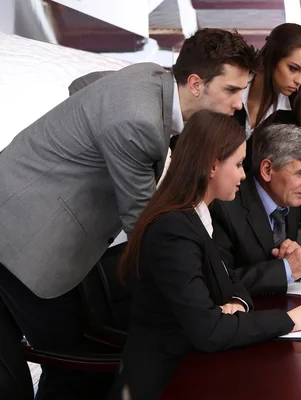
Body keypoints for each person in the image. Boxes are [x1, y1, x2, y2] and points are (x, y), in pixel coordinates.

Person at [0, 28, 257, 399]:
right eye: (232, 90)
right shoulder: (139, 123)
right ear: (197, 84)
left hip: (29, 219)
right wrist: (208, 305)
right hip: (23, 236)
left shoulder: (151, 78)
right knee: (68, 362)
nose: (238, 104)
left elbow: (83, 84)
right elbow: (145, 229)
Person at [112, 110, 301, 400]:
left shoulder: (197, 216)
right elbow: (209, 330)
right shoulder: (173, 229)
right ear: (213, 166)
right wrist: (289, 320)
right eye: (238, 164)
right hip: (165, 382)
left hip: (197, 366)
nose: (242, 174)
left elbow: (231, 282)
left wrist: (236, 302)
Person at [210, 123, 301, 296]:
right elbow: (219, 282)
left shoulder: (289, 199)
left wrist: (290, 257)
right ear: (267, 170)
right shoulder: (225, 207)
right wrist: (285, 268)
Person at [236, 23, 301, 172]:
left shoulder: (296, 107)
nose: (300, 80)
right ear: (272, 58)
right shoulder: (230, 87)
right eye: (293, 68)